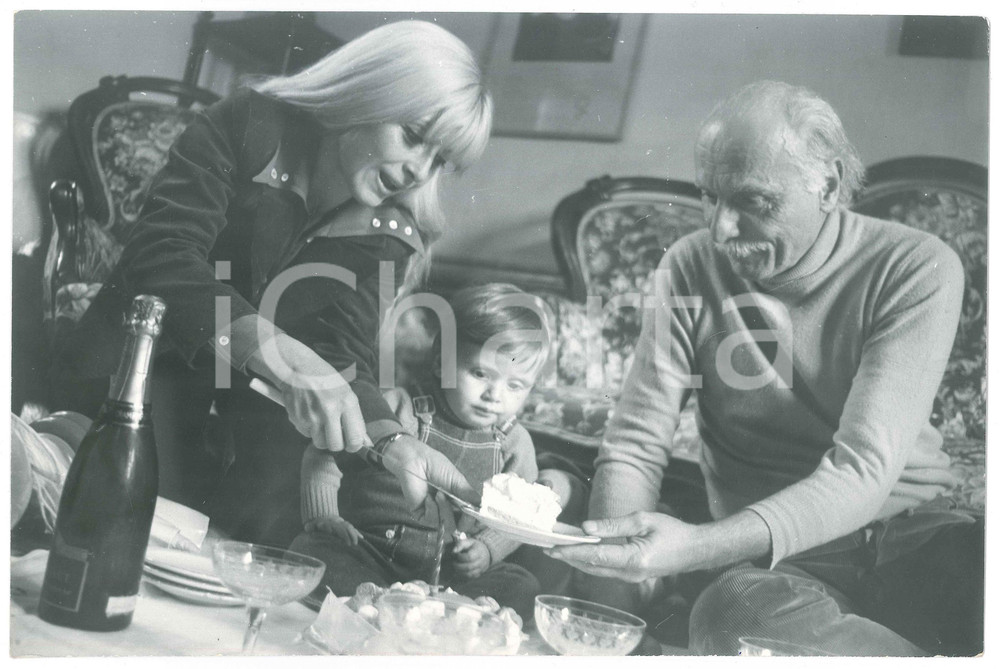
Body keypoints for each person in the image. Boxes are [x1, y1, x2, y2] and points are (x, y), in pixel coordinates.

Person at [547, 81, 983, 656]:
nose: (720, 229)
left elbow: (861, 471)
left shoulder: (917, 266)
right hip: (780, 567)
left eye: (754, 201)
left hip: (914, 536)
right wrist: (611, 612)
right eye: (708, 197)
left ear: (827, 185)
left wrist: (693, 548)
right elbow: (634, 443)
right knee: (731, 616)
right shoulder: (688, 267)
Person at [57, 21, 493, 545]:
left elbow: (341, 351)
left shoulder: (393, 233)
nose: (419, 172)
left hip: (238, 437)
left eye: (440, 159)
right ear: (369, 92)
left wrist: (393, 441)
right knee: (97, 512)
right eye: (415, 136)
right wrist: (286, 356)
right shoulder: (249, 122)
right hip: (133, 378)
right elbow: (163, 255)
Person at [290, 283, 556, 618]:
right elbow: (325, 449)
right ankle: (382, 604)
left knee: (522, 584)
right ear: (440, 362)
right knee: (313, 551)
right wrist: (324, 514)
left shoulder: (514, 443)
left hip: (449, 579)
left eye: (515, 385)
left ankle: (442, 613)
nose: (495, 395)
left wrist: (488, 550)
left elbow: (521, 518)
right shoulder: (397, 408)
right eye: (479, 373)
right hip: (372, 555)